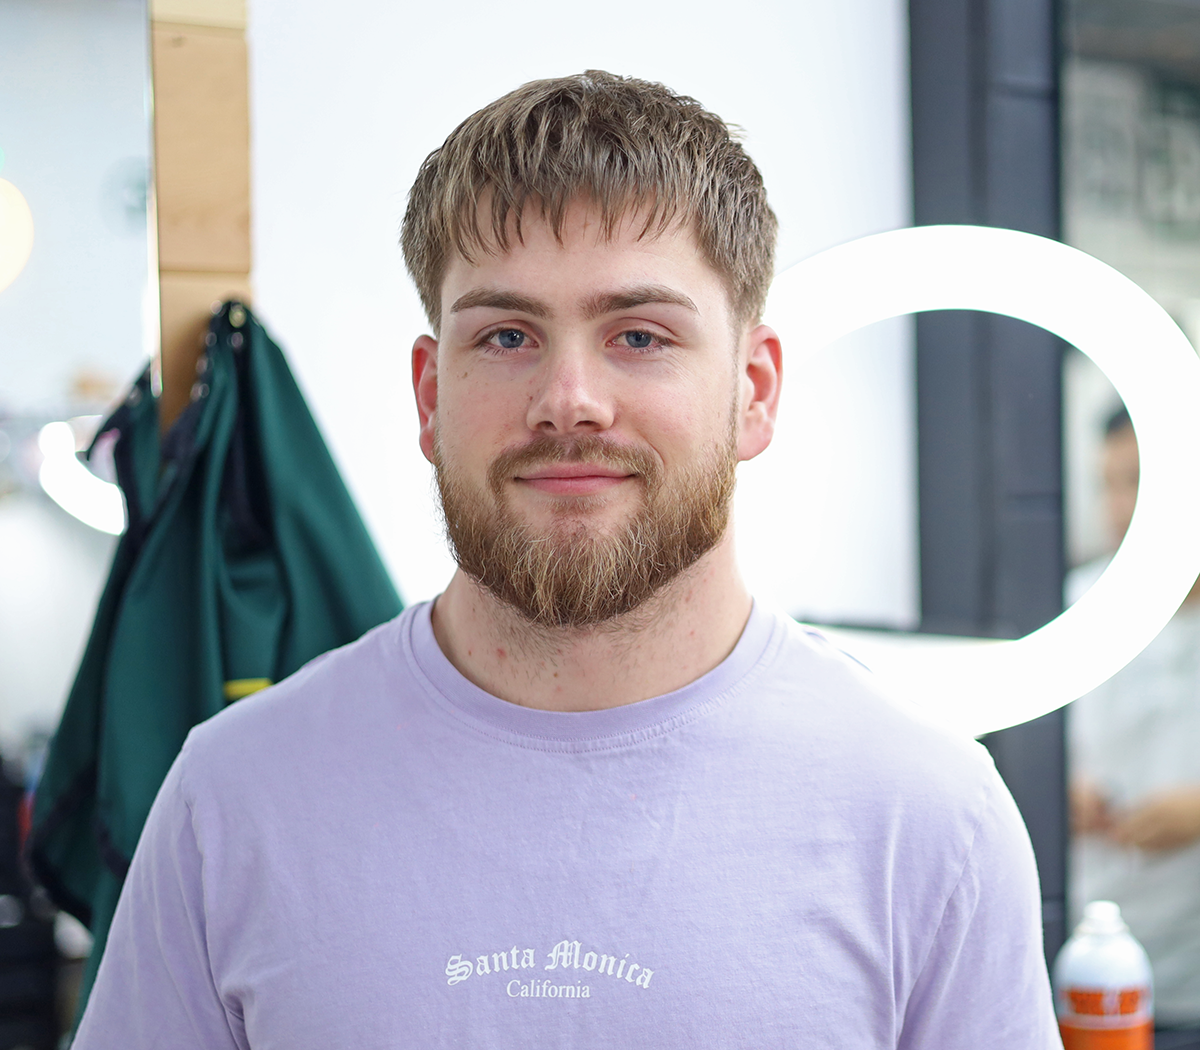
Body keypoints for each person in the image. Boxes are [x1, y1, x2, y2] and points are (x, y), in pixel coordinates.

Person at [72, 71, 1059, 1048]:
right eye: (507, 335)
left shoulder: (929, 815)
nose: (569, 399)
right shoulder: (235, 796)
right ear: (429, 397)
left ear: (754, 391)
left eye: (639, 334)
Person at [1069, 406, 1200, 1033]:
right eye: (1108, 484)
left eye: (1139, 482)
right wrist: (1053, 796)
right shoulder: (1069, 610)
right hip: (1091, 970)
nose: (1120, 509)